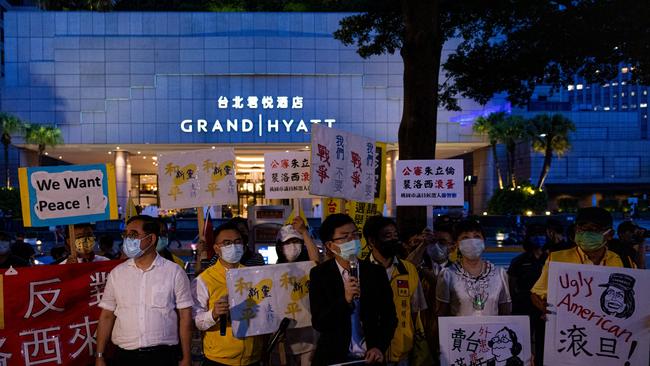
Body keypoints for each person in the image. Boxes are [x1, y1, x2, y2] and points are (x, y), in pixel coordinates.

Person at [95, 215, 193, 366]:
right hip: (125, 356)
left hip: (163, 356)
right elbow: (107, 316)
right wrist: (100, 355)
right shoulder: (117, 274)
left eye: (133, 235)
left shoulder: (174, 272)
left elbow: (185, 316)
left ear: (151, 239)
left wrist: (186, 357)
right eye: (125, 235)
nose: (128, 240)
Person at [309, 213, 397, 366]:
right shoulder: (320, 275)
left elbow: (389, 318)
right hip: (334, 358)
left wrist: (379, 347)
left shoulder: (375, 272)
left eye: (355, 235)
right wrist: (345, 300)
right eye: (345, 237)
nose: (353, 240)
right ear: (330, 245)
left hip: (369, 358)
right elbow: (319, 322)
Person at [531, 207, 633, 317]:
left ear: (610, 234)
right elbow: (536, 293)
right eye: (582, 228)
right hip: (570, 329)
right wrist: (544, 307)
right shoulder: (556, 259)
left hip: (610, 330)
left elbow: (638, 299)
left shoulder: (625, 263)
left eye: (594, 229)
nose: (586, 233)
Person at [191, 222, 263, 365]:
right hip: (219, 359)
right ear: (216, 248)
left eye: (237, 242)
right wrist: (214, 314)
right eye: (227, 243)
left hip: (253, 357)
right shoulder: (204, 280)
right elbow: (195, 321)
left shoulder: (253, 275)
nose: (234, 246)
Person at [363, 216, 428, 365]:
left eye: (395, 235)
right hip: (369, 353)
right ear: (372, 241)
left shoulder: (408, 270)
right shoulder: (360, 271)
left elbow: (417, 312)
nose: (394, 239)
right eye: (387, 236)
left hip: (402, 352)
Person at [436, 219, 512, 317]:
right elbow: (442, 314)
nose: (472, 242)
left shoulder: (499, 274)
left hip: (491, 331)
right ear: (457, 244)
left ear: (484, 241)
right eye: (465, 237)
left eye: (477, 236)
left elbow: (506, 312)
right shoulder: (447, 274)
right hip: (461, 331)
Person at [271, 221, 320, 365]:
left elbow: (316, 262)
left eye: (296, 242)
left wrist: (304, 232)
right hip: (280, 343)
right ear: (280, 246)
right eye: (288, 242)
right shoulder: (269, 273)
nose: (293, 246)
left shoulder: (308, 269)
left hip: (308, 341)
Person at [507, 224, 547, 366]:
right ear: (529, 239)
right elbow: (511, 285)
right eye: (535, 236)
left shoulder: (551, 259)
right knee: (523, 340)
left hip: (545, 307)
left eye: (542, 235)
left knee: (544, 341)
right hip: (524, 307)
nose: (539, 239)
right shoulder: (519, 261)